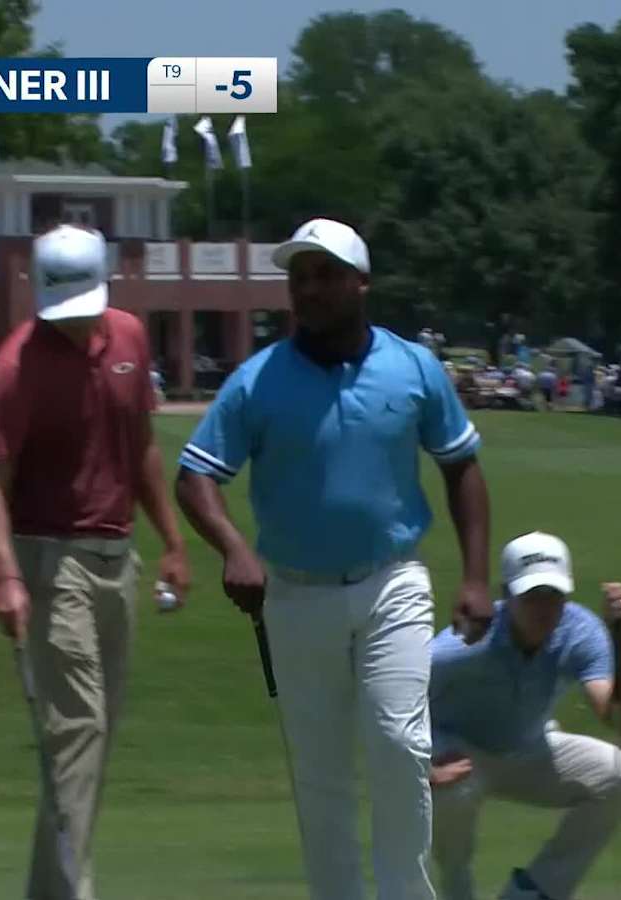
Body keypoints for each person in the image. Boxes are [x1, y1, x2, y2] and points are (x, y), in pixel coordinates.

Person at [175, 217, 495, 900]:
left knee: (401, 747)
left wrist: (475, 576)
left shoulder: (412, 366)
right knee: (320, 776)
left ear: (361, 283)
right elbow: (195, 476)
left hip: (392, 582)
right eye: (299, 277)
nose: (309, 289)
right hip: (294, 593)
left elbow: (461, 465)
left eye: (325, 275)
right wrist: (234, 548)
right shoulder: (257, 381)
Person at [0, 224, 190, 900]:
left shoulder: (128, 336)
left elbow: (142, 443)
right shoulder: (13, 369)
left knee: (91, 743)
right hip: (48, 561)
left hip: (116, 558)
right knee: (77, 732)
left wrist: (173, 542)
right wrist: (6, 574)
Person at [428, 532, 621, 900]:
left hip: (531, 748)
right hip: (459, 752)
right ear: (506, 594)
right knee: (451, 789)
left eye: (554, 596)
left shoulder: (580, 632)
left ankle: (532, 894)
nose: (544, 609)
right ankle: (456, 891)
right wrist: (422, 765)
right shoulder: (463, 644)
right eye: (531, 597)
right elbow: (394, 697)